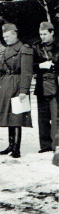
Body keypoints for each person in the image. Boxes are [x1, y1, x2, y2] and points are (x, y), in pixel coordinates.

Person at [0, 23, 33, 158]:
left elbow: (26, 72)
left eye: (8, 36)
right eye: (4, 36)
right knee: (9, 116)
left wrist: (23, 90)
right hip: (6, 85)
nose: (5, 39)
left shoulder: (24, 49)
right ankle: (10, 145)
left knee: (16, 117)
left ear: (15, 35)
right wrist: (0, 84)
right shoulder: (6, 50)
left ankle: (16, 148)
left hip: (17, 84)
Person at [32, 21, 59, 153]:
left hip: (56, 85)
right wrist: (40, 66)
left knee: (56, 117)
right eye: (40, 34)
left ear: (52, 32)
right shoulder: (36, 47)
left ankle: (56, 144)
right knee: (42, 117)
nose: (42, 37)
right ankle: (45, 145)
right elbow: (30, 65)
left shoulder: (58, 46)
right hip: (41, 85)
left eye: (44, 34)